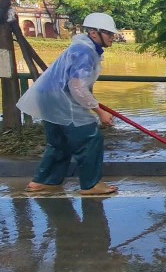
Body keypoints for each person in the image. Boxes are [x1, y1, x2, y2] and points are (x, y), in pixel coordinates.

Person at [17, 12, 119, 196]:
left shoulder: (80, 48)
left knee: (59, 142)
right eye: (109, 34)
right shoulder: (86, 52)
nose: (113, 37)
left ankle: (43, 182)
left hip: (47, 96)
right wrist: (99, 112)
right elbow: (77, 86)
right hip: (62, 99)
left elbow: (78, 85)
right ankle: (91, 185)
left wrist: (93, 104)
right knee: (90, 138)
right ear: (94, 33)